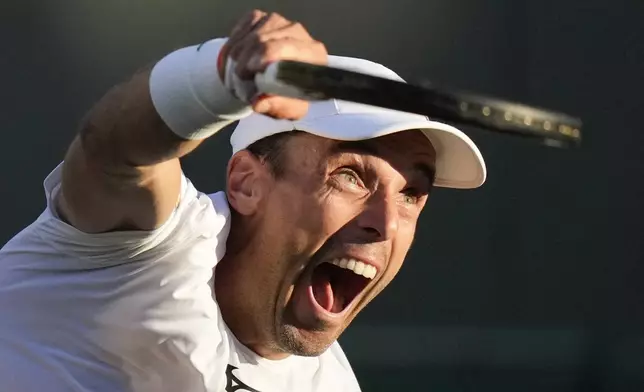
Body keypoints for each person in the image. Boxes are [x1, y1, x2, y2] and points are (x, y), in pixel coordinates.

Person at [0, 9, 486, 392]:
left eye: (411, 194)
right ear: (245, 183)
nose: (385, 222)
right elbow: (114, 151)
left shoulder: (329, 385)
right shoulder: (148, 252)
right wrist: (217, 77)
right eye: (351, 176)